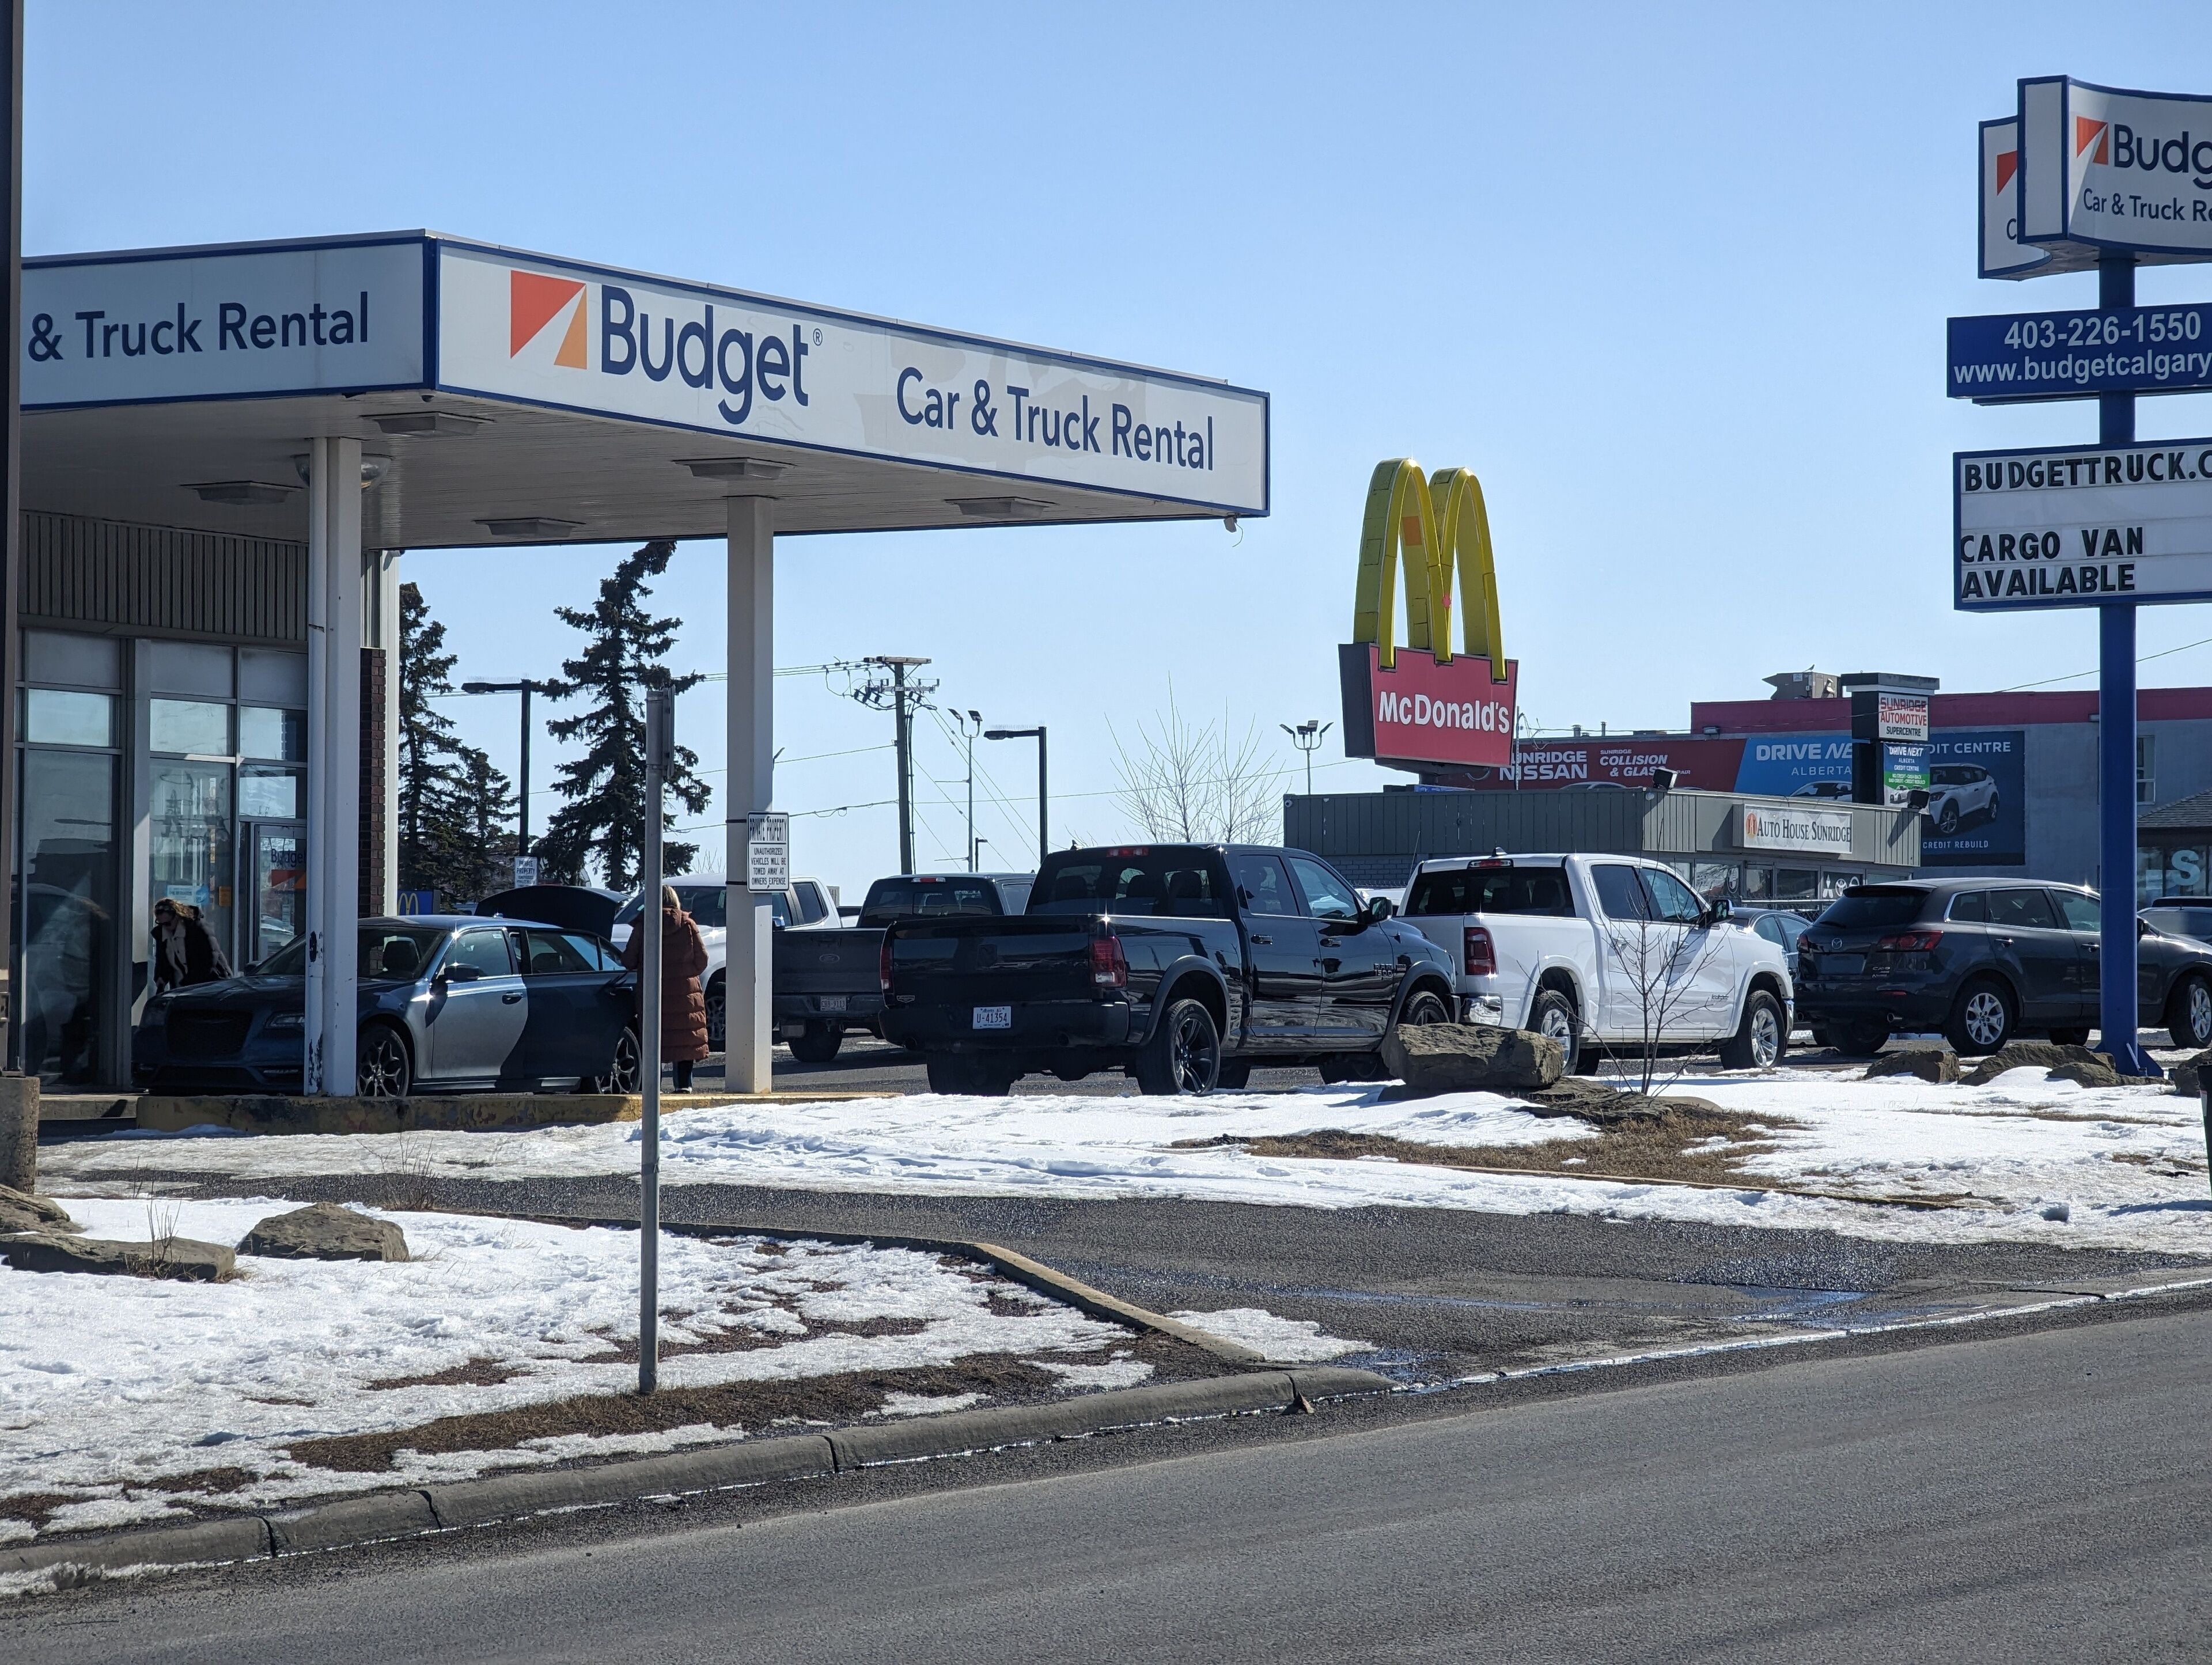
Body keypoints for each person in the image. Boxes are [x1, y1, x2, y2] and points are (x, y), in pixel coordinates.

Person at [619, 885, 710, 1090]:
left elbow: (629, 960)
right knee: (685, 1040)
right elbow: (703, 959)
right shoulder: (687, 925)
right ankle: (684, 1087)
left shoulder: (643, 926)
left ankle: (654, 1089)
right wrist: (687, 973)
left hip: (653, 993)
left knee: (654, 1042)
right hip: (685, 994)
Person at [151, 898, 232, 993]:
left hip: (211, 984)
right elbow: (162, 960)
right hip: (182, 988)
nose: (164, 927)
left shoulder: (197, 928)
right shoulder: (162, 934)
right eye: (160, 923)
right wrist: (160, 977)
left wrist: (190, 983)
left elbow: (210, 958)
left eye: (168, 924)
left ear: (177, 916)